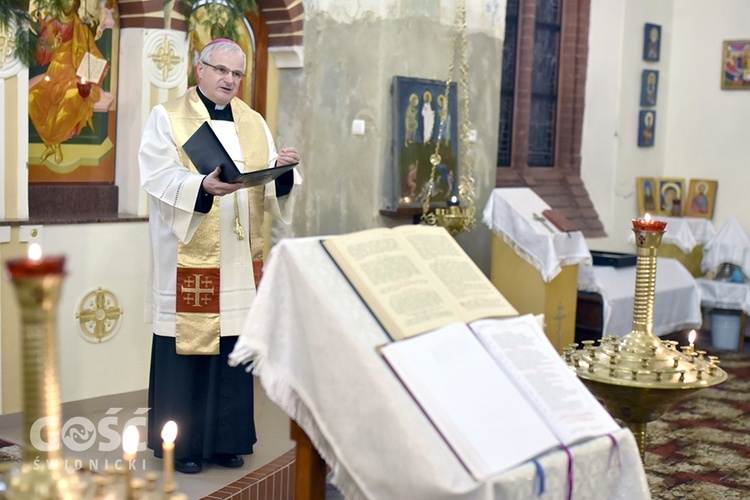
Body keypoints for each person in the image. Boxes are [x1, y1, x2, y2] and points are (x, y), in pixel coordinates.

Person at [138, 38, 302, 474]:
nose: (230, 80)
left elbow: (267, 186)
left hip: (237, 259)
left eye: (237, 74)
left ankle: (228, 440)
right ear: (200, 70)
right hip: (189, 254)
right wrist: (199, 188)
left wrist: (284, 173)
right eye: (221, 71)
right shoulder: (168, 117)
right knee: (190, 347)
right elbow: (156, 176)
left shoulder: (252, 122)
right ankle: (185, 446)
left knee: (232, 348)